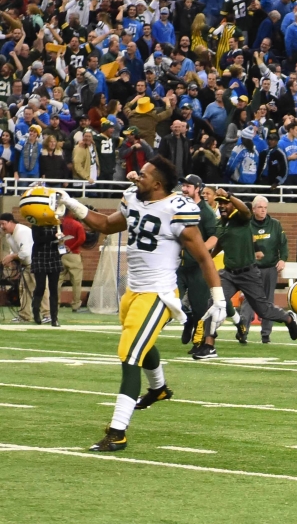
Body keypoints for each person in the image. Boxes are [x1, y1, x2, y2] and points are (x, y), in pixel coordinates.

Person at [56, 157, 226, 452]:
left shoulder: (178, 209)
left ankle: (117, 432)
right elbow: (106, 225)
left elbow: (202, 256)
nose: (137, 178)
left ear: (158, 184)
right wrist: (71, 202)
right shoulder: (134, 199)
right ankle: (158, 388)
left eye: (144, 175)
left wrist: (219, 298)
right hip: (133, 291)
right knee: (139, 344)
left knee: (129, 354)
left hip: (158, 294)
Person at [199, 188, 297, 360]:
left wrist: (230, 195)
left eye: (226, 202)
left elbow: (245, 211)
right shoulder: (221, 223)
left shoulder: (242, 219)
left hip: (248, 273)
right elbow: (220, 243)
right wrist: (208, 257)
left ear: (233, 204)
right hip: (229, 274)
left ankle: (288, 318)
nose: (222, 206)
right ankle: (209, 345)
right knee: (214, 301)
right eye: (220, 202)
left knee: (264, 310)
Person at [177, 174, 244, 354]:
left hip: (198, 266)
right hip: (178, 264)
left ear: (197, 188)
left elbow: (215, 235)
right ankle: (187, 319)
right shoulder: (178, 205)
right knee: (172, 300)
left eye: (188, 186)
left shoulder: (205, 211)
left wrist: (201, 250)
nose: (184, 189)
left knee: (202, 306)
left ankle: (201, 341)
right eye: (183, 186)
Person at [248, 195, 288, 344]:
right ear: (253, 209)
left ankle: (266, 334)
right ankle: (243, 330)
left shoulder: (275, 224)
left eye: (265, 208)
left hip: (270, 268)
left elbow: (283, 244)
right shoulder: (247, 225)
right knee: (248, 299)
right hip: (251, 269)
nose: (263, 210)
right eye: (260, 207)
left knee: (268, 301)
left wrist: (283, 259)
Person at [0, 213, 40, 324]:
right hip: (25, 265)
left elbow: (25, 252)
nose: (2, 227)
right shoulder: (9, 235)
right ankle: (25, 316)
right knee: (24, 290)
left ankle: (47, 314)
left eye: (3, 223)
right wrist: (12, 260)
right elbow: (15, 250)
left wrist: (12, 257)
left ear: (11, 222)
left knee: (41, 289)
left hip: (34, 263)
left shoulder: (21, 231)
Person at [29, 222, 62, 327]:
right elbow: (38, 240)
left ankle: (54, 318)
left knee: (53, 289)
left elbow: (58, 240)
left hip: (54, 257)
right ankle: (36, 310)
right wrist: (53, 236)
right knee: (41, 286)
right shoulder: (36, 225)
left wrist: (61, 240)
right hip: (40, 257)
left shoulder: (57, 225)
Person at [58, 214, 86, 312]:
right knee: (76, 281)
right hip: (73, 254)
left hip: (61, 254)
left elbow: (58, 239)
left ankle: (54, 304)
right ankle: (76, 305)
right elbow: (82, 238)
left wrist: (61, 251)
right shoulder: (77, 224)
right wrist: (72, 248)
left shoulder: (59, 223)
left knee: (58, 281)